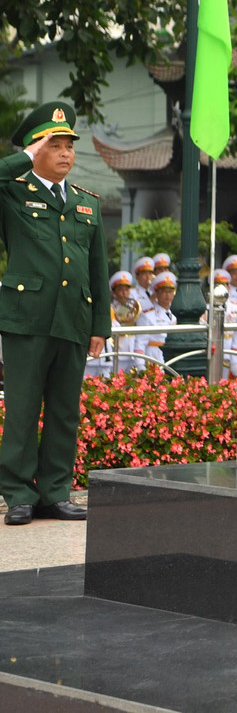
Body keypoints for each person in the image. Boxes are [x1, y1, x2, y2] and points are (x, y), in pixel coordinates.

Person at [0, 101, 111, 526]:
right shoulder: (12, 193)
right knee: (23, 409)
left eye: (69, 146)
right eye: (55, 145)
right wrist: (25, 158)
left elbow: (98, 270)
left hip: (73, 320)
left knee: (65, 410)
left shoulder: (87, 203)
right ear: (35, 149)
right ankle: (18, 494)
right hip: (26, 319)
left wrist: (101, 325)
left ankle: (55, 491)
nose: (66, 153)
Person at [134, 271, 178, 370]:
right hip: (154, 356)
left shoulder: (175, 314)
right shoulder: (147, 316)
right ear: (156, 293)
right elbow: (140, 343)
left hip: (173, 356)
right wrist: (140, 366)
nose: (167, 295)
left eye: (170, 292)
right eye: (164, 291)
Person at [109, 270, 142, 375]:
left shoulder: (133, 307)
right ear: (113, 293)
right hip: (119, 350)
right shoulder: (111, 309)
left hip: (132, 349)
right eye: (120, 290)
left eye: (127, 290)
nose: (124, 293)